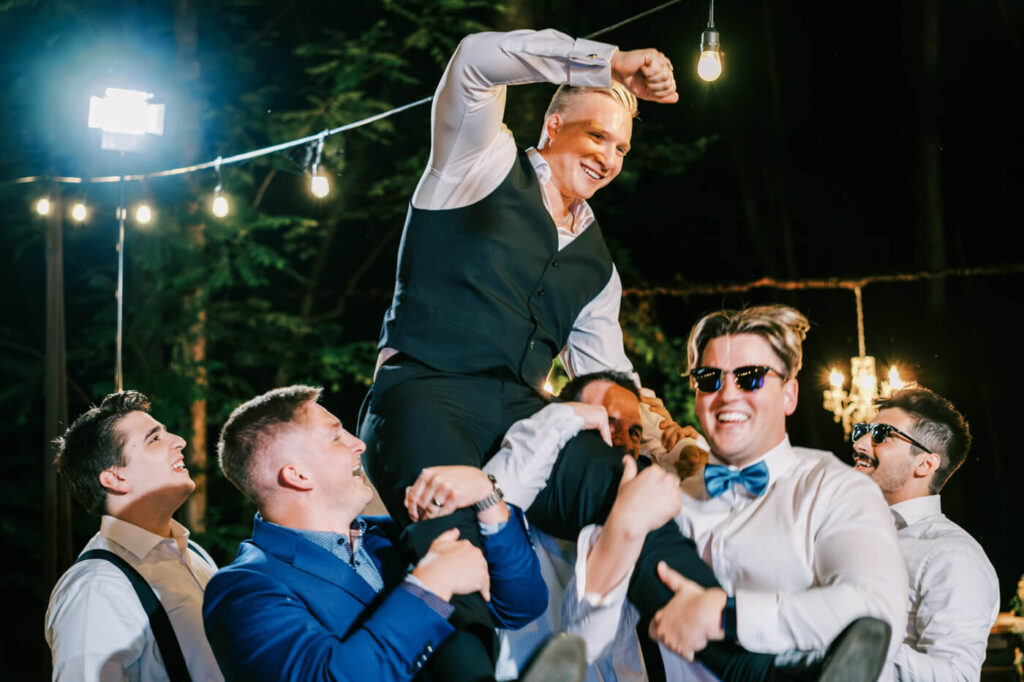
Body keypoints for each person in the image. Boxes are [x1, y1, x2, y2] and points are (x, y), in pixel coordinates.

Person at [359, 27, 727, 680]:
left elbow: (601, 376)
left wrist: (643, 417)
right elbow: (474, 60)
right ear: (553, 125)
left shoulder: (599, 268)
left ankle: (750, 657)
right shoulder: (476, 165)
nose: (609, 158)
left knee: (624, 489)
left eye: (620, 148)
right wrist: (608, 61)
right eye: (596, 136)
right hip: (423, 393)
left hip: (522, 417)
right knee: (454, 557)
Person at [572, 305, 909, 680]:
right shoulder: (661, 501)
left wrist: (725, 615)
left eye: (750, 378)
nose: (727, 395)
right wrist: (621, 531)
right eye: (709, 378)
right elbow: (586, 643)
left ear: (789, 395)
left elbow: (876, 615)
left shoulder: (835, 489)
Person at [204, 385, 553, 682]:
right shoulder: (242, 588)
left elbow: (521, 606)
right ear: (297, 475)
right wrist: (428, 587)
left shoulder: (396, 537)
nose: (359, 444)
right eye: (336, 436)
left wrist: (487, 498)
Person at [45, 391, 222, 682]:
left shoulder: (193, 553)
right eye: (154, 439)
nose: (179, 441)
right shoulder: (97, 589)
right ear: (114, 478)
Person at [851, 386, 999, 681]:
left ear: (925, 463)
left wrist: (845, 640)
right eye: (863, 430)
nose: (861, 443)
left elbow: (955, 676)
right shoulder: (850, 530)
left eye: (881, 434)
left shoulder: (952, 555)